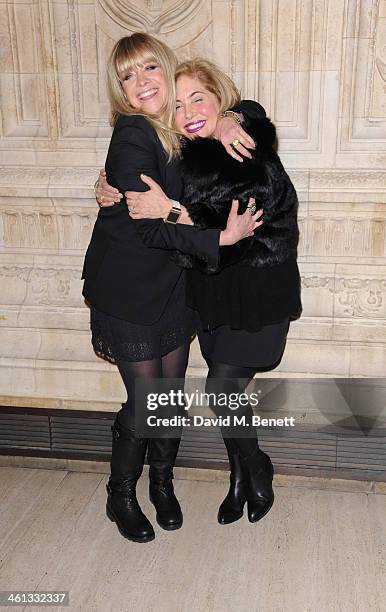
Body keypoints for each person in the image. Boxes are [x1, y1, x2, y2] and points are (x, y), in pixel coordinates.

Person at [99, 58, 301, 526]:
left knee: (221, 389)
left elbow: (235, 239)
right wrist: (108, 186)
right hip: (211, 300)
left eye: (200, 98)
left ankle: (255, 465)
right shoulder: (187, 156)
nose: (189, 110)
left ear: (220, 101)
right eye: (179, 103)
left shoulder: (239, 148)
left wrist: (171, 212)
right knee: (217, 393)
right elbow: (152, 187)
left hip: (256, 298)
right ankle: (236, 481)